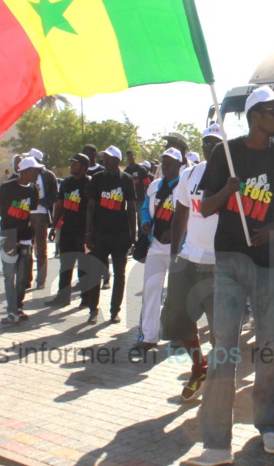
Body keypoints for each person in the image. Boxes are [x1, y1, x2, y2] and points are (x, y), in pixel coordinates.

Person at [185, 85, 274, 466]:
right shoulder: (224, 155)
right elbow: (205, 206)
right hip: (229, 259)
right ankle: (215, 443)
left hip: (268, 263)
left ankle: (267, 424)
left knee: (267, 348)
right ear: (254, 116)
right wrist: (227, 191)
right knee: (224, 349)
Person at [161, 123, 224, 402]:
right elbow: (180, 216)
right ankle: (199, 366)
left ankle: (221, 380)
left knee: (221, 329)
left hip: (219, 262)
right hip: (188, 259)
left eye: (215, 143)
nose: (210, 147)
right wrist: (175, 255)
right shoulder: (189, 174)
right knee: (177, 320)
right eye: (206, 142)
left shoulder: (234, 177)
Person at [134, 147, 184, 354]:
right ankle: (148, 336)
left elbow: (191, 214)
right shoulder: (154, 186)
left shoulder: (185, 186)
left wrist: (175, 234)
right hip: (155, 246)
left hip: (178, 250)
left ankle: (178, 335)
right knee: (151, 291)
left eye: (171, 162)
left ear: (180, 166)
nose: (165, 166)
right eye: (164, 162)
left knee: (177, 295)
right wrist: (146, 223)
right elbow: (146, 208)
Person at [85, 145, 137, 325]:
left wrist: (133, 234)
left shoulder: (127, 180)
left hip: (120, 235)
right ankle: (93, 310)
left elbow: (131, 207)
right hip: (100, 234)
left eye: (108, 158)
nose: (104, 161)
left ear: (117, 161)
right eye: (104, 158)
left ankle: (115, 310)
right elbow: (91, 207)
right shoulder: (97, 179)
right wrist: (88, 233)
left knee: (119, 274)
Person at [0, 156, 41, 324]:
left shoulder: (34, 189)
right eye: (35, 171)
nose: (38, 174)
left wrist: (30, 234)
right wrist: (11, 224)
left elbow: (32, 214)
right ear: (26, 171)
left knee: (22, 276)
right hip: (8, 236)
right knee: (9, 275)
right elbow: (0, 210)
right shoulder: (7, 187)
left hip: (25, 237)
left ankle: (18, 307)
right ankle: (11, 310)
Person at [46, 153, 92, 308]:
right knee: (65, 265)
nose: (71, 166)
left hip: (83, 232)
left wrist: (91, 233)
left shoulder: (90, 184)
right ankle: (63, 297)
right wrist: (53, 226)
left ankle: (86, 299)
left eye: (75, 164)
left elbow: (94, 209)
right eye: (71, 163)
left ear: (84, 167)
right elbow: (59, 204)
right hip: (67, 230)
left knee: (84, 267)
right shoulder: (66, 183)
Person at [24, 148, 57, 291]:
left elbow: (54, 196)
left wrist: (40, 201)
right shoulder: (25, 173)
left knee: (41, 249)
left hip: (41, 215)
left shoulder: (48, 175)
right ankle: (26, 280)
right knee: (26, 247)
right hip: (25, 214)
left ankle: (41, 280)